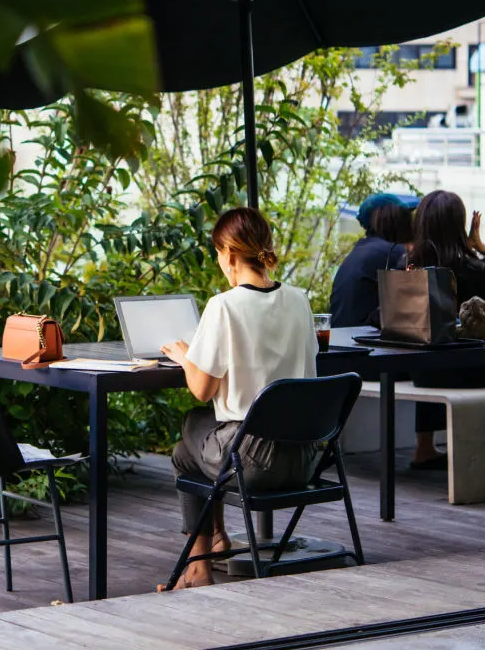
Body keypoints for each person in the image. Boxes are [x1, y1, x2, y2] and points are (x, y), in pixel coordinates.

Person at [159, 207, 318, 590]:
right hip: (305, 460)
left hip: (255, 465)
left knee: (189, 435)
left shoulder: (224, 306)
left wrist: (185, 357)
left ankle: (200, 566)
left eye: (217, 254)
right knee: (196, 442)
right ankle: (217, 541)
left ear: (229, 254)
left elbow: (201, 389)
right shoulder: (299, 301)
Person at [408, 190, 485, 469]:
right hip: (470, 372)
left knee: (431, 351)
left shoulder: (411, 269)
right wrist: (481, 246)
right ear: (457, 226)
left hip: (423, 373)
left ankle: (423, 447)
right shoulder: (472, 268)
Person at [330, 193, 416, 328]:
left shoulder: (361, 250)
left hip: (341, 338)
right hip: (364, 341)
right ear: (397, 220)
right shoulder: (393, 253)